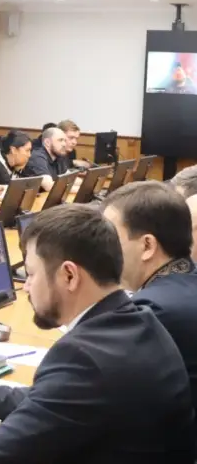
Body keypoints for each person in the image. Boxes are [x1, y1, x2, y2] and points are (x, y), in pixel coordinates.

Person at [0, 204, 195, 463]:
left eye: (31, 274)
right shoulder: (140, 320)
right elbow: (62, 400)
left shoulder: (83, 357)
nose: (25, 286)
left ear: (69, 275)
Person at [101, 181, 197, 441]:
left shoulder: (152, 311)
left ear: (147, 246)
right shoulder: (189, 277)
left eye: (111, 239)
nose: (103, 249)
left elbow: (91, 393)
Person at [21, 126, 67, 192]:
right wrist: (76, 189)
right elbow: (49, 186)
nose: (64, 144)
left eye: (65, 141)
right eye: (60, 140)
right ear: (47, 142)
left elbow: (70, 178)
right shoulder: (37, 157)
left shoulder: (58, 156)